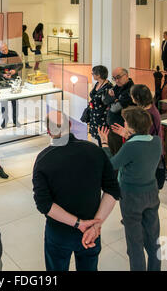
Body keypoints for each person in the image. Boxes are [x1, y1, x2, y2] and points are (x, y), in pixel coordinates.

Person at [33, 110, 120, 271]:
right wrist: (96, 224)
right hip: (92, 230)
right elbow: (113, 190)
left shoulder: (43, 160)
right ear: (71, 125)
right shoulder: (95, 151)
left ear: (49, 132)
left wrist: (78, 223)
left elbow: (44, 204)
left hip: (59, 232)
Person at [98, 106, 162, 271]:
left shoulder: (130, 147)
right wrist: (128, 136)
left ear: (132, 127)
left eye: (125, 122)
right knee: (153, 239)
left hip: (132, 196)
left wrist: (105, 143)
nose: (124, 124)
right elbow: (141, 149)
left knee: (135, 244)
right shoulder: (156, 141)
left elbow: (111, 164)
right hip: (152, 194)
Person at [102, 67, 134, 155]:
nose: (116, 80)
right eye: (114, 78)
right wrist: (114, 100)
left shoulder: (131, 89)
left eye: (118, 77)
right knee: (112, 151)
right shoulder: (118, 86)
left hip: (122, 130)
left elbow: (114, 108)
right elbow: (104, 100)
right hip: (113, 127)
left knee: (118, 153)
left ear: (126, 76)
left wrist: (111, 99)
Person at [0, 43, 23, 128]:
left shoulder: (13, 54)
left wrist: (14, 70)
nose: (5, 51)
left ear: (7, 48)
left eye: (5, 49)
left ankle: (15, 120)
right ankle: (5, 119)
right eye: (2, 50)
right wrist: (2, 74)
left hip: (14, 80)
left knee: (15, 102)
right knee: (4, 102)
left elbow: (21, 65)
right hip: (3, 81)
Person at [87, 65, 112, 146]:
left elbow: (108, 103)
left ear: (98, 75)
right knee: (97, 139)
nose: (92, 75)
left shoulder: (108, 87)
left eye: (93, 73)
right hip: (94, 116)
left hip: (102, 118)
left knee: (103, 138)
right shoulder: (97, 83)